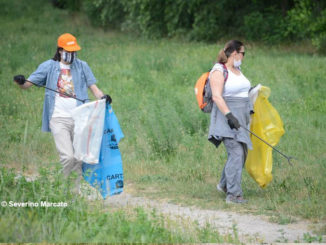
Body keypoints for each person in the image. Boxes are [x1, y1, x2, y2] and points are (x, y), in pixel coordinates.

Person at [13, 33, 112, 194]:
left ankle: (73, 195)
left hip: (80, 118)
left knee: (79, 159)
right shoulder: (48, 66)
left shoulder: (82, 66)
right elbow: (26, 85)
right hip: (58, 118)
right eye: (68, 50)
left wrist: (103, 97)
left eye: (74, 51)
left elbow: (93, 88)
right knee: (68, 157)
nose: (72, 54)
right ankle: (59, 189)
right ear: (60, 50)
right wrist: (20, 81)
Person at [208, 40, 253, 204]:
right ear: (235, 53)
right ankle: (233, 195)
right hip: (226, 120)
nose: (243, 57)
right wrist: (230, 116)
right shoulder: (219, 71)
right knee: (236, 154)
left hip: (242, 119)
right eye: (243, 53)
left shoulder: (237, 69)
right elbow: (217, 96)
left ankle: (224, 184)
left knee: (242, 154)